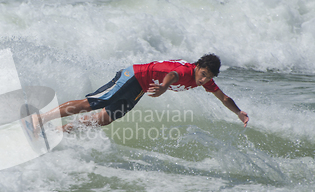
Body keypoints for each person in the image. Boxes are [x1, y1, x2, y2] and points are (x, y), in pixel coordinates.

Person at [33, 54, 249, 133]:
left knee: (107, 118)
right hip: (133, 76)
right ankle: (40, 119)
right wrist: (163, 87)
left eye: (208, 77)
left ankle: (59, 131)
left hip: (141, 87)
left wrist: (238, 112)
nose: (203, 80)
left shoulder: (205, 82)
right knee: (93, 103)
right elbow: (172, 75)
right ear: (198, 65)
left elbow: (224, 97)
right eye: (202, 74)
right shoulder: (185, 71)